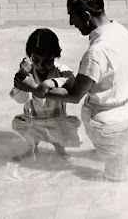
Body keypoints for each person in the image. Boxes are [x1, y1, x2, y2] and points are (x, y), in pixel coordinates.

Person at [42, 0, 128, 181]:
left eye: (73, 16)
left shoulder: (96, 53)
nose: (71, 23)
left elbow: (74, 95)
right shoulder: (120, 30)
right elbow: (85, 8)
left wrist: (38, 89)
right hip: (125, 115)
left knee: (116, 180)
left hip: (106, 126)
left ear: (86, 15)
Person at [10, 28, 81, 160]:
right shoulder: (26, 73)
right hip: (33, 118)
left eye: (48, 61)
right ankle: (32, 150)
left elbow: (72, 83)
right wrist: (21, 75)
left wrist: (50, 83)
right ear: (29, 56)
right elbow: (18, 98)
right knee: (31, 139)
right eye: (36, 60)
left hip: (56, 118)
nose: (41, 65)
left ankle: (60, 150)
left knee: (59, 140)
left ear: (56, 56)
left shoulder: (61, 70)